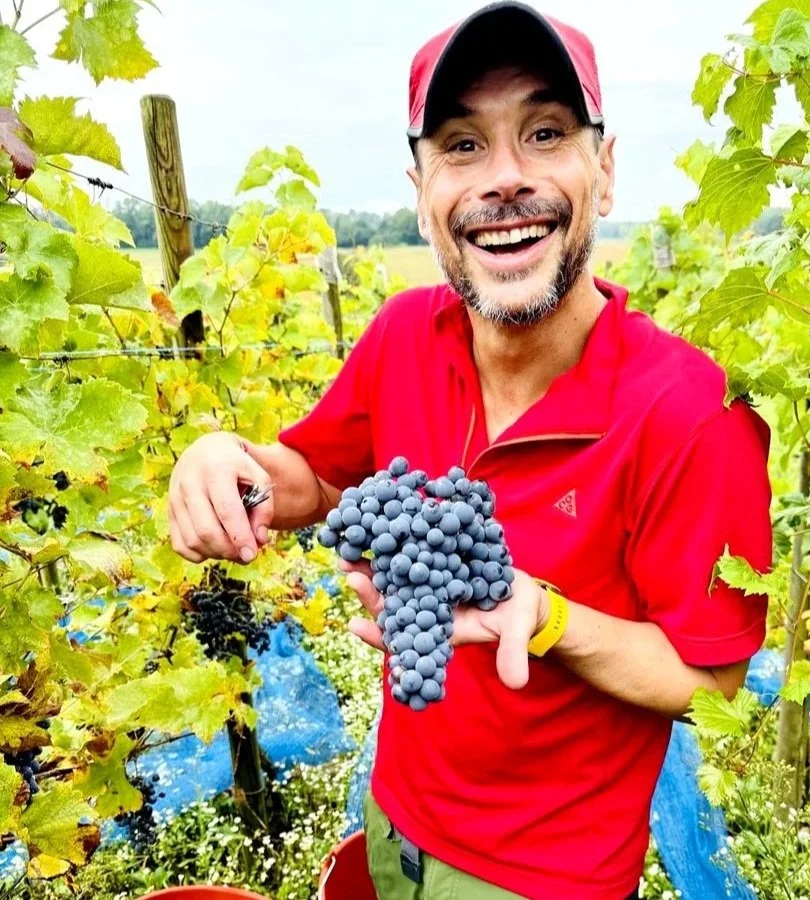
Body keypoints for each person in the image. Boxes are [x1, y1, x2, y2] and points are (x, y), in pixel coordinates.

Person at [167, 3, 773, 898]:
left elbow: (714, 681)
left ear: (604, 172)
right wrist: (233, 462)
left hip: (543, 876)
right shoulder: (406, 332)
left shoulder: (692, 411)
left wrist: (548, 617)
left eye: (544, 132)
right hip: (391, 814)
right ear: (420, 193)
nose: (504, 179)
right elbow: (321, 478)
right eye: (461, 145)